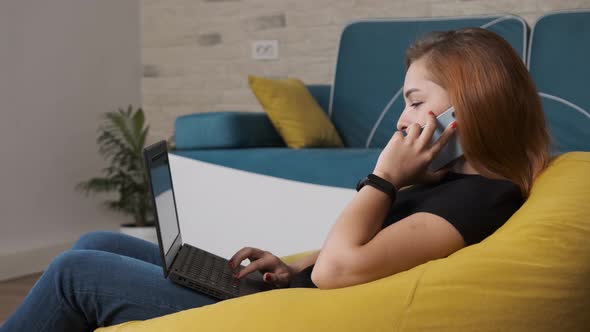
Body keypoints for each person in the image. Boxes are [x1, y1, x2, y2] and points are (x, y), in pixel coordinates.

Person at [1, 27, 550, 331]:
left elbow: (342, 271)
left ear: (467, 108)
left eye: (415, 101)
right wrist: (291, 269)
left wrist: (384, 176)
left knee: (76, 271)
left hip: (280, 320)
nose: (404, 119)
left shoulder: (479, 199)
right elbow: (351, 261)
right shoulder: (451, 180)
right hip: (287, 295)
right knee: (96, 242)